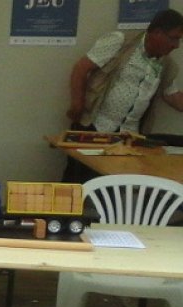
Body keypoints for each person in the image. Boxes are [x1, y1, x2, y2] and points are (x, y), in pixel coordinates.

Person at [64, 9, 183, 180]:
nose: (176, 45)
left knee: (114, 186)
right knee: (77, 184)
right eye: (174, 38)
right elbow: (81, 69)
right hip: (95, 127)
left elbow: (173, 97)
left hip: (128, 138)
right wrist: (77, 103)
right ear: (157, 33)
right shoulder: (120, 42)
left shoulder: (168, 65)